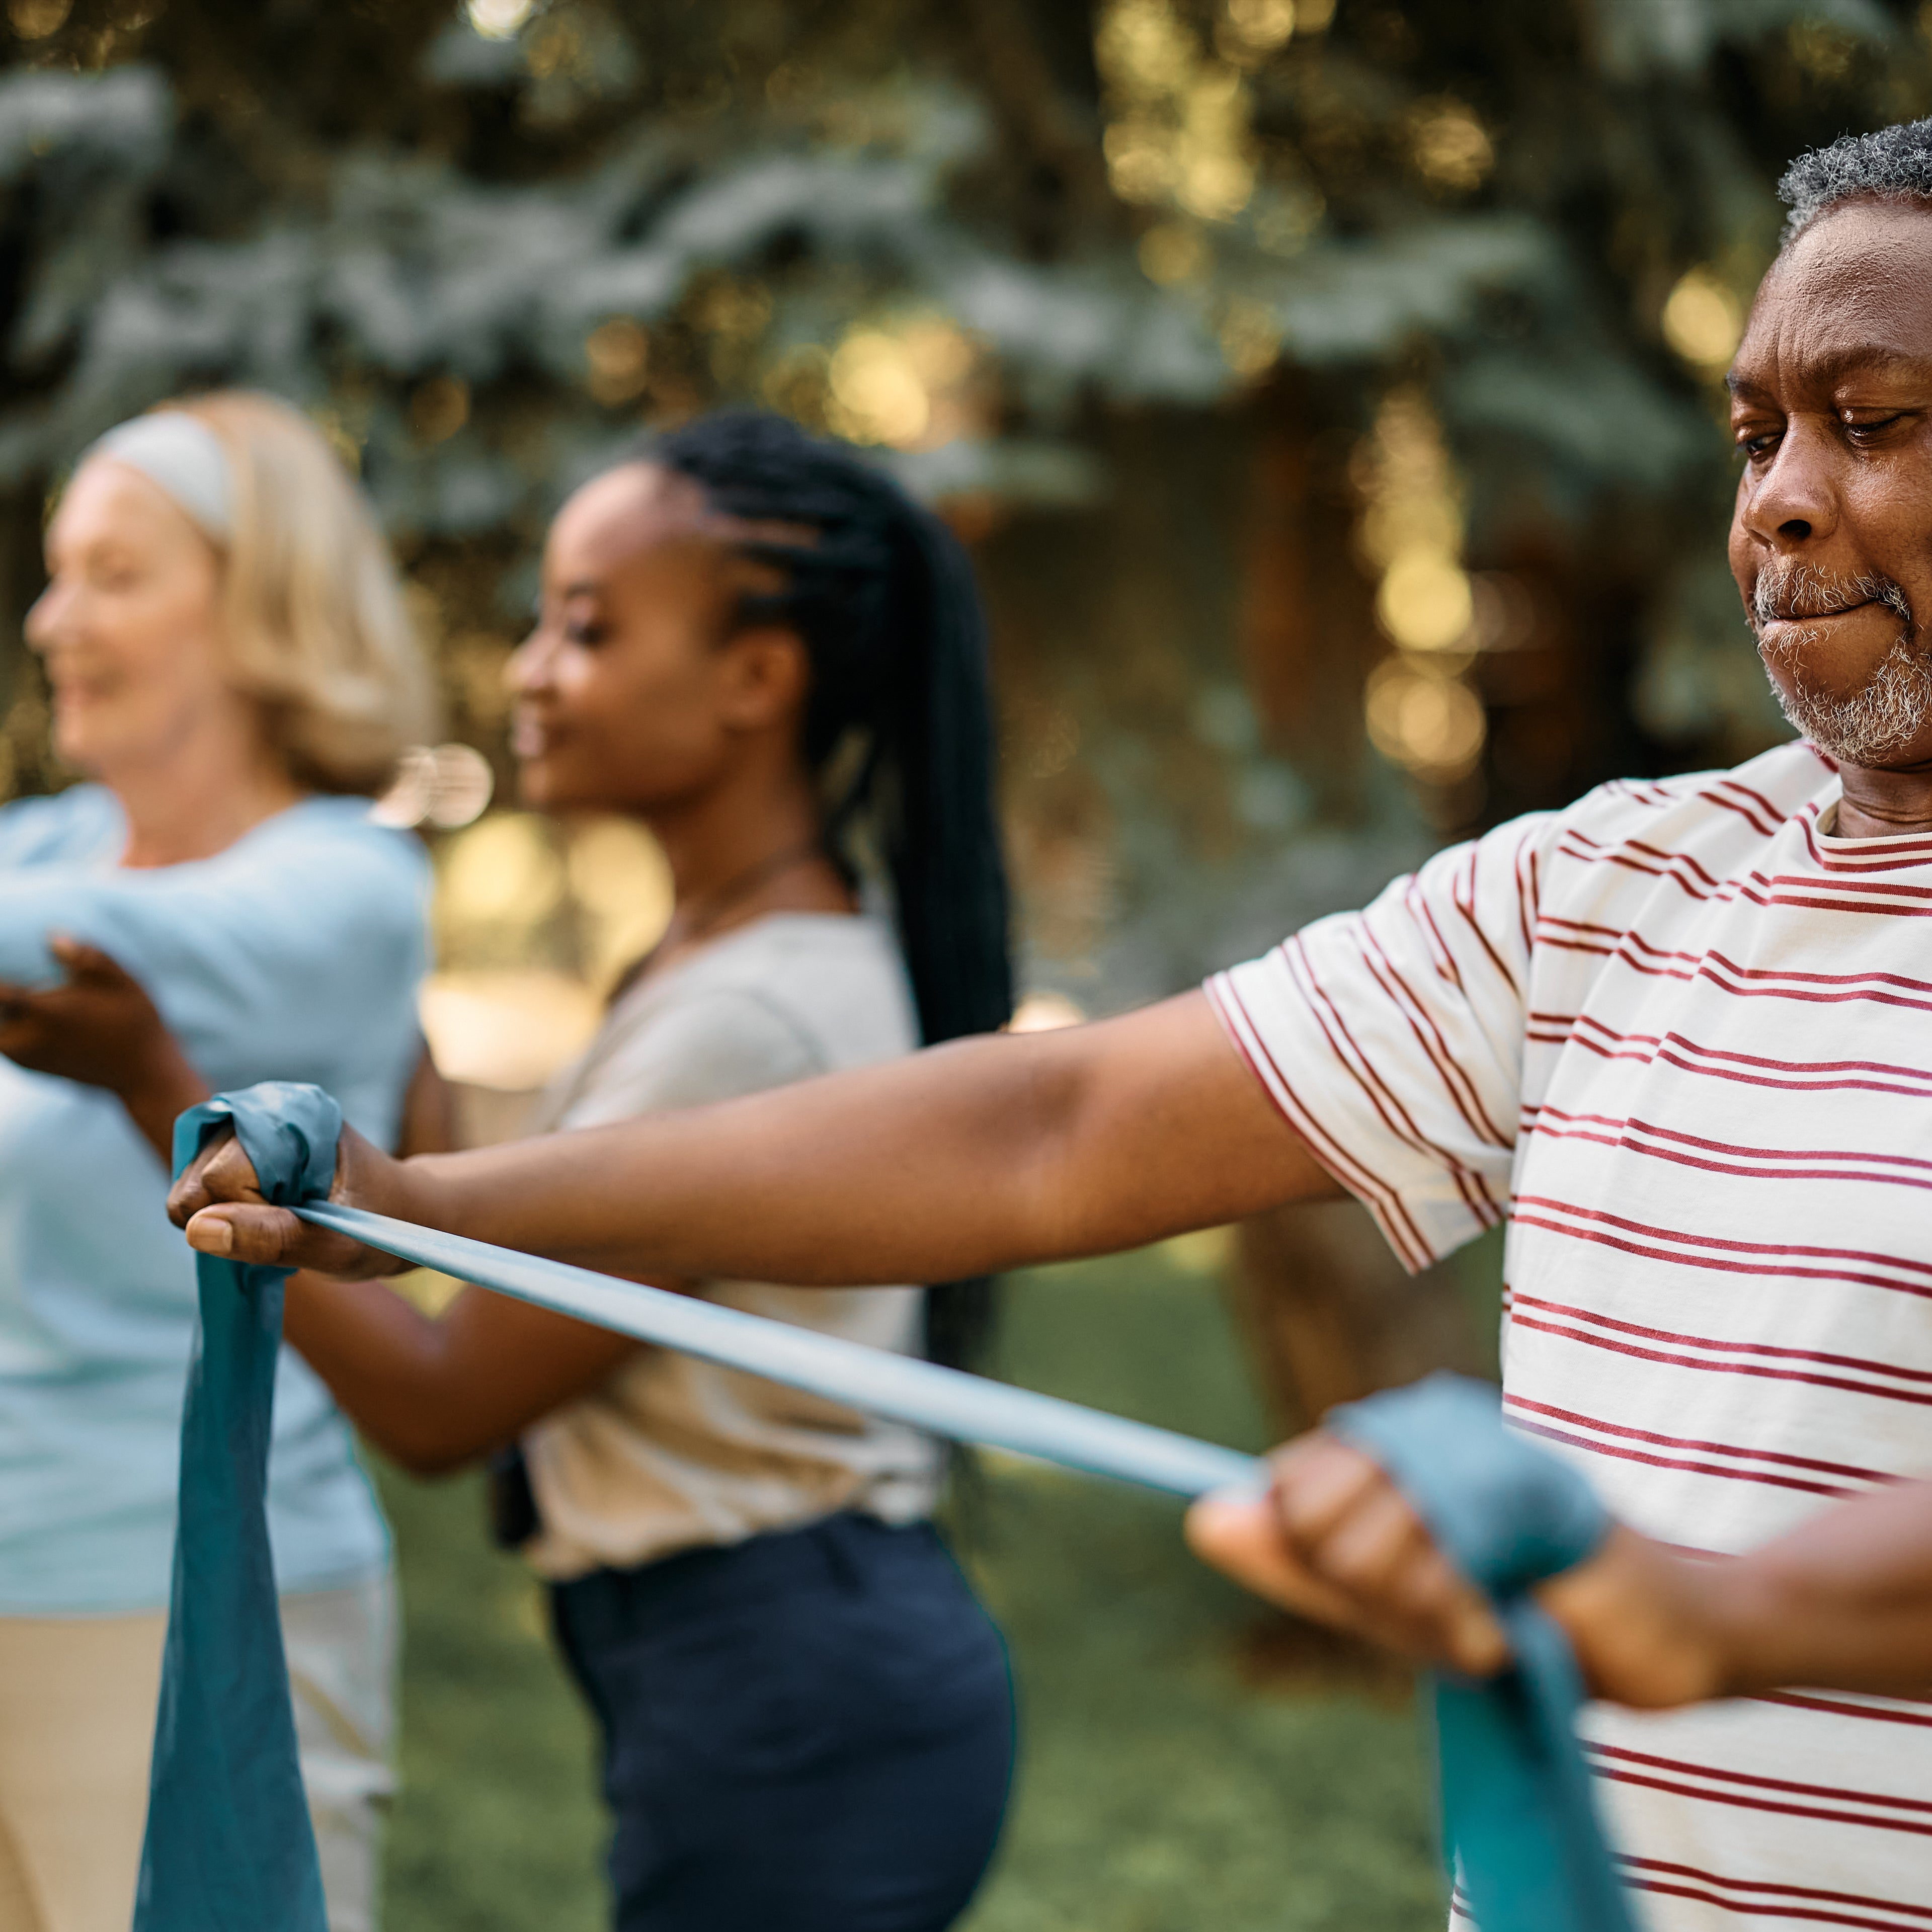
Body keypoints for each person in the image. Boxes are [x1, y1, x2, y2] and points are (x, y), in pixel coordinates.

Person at [173, 122, 1932, 1927]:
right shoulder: (1606, 887)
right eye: (1755, 434)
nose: (1780, 497)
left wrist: (1716, 1618)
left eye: (1871, 422)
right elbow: (1055, 1123)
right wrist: (441, 1208)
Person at [76, 413, 1018, 1932]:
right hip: (762, 1667)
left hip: (792, 1695)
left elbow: (448, 1403)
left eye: (585, 628)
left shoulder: (749, 1016)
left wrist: (152, 1090)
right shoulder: (714, 958)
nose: (527, 668)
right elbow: (521, 1224)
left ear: (755, 681)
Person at [0, 392, 437, 1932]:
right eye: (60, 573)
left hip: (197, 1602)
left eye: (117, 576)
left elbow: (63, 955)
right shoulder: (45, 849)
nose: (56, 620)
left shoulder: (342, 883)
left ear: (259, 613)